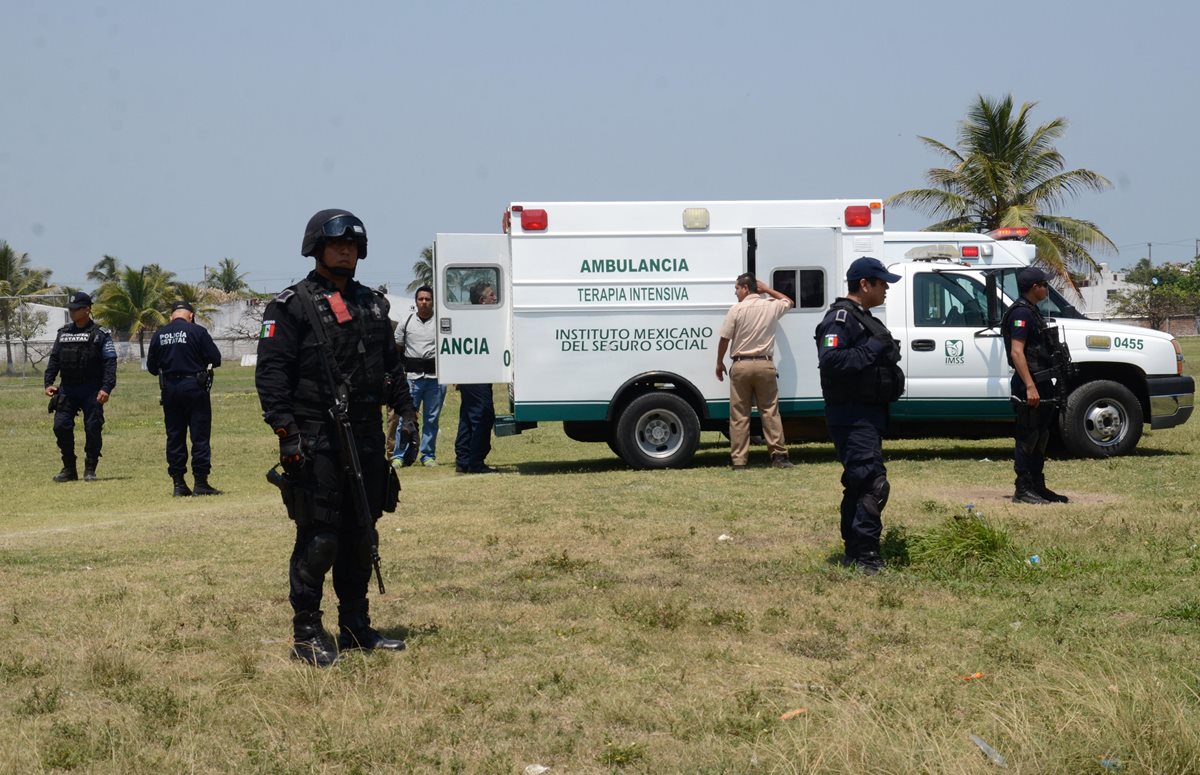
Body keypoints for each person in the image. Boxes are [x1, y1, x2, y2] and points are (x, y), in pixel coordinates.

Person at [256, 208, 418, 667]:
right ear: (317, 248)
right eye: (336, 244)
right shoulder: (292, 305)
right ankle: (306, 633)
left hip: (365, 435)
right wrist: (287, 434)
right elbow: (271, 376)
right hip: (315, 436)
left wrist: (405, 410)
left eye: (352, 245)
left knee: (361, 532)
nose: (345, 251)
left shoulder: (373, 303)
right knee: (321, 536)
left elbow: (391, 365)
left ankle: (355, 628)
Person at [814, 257, 905, 575]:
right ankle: (866, 556)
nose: (886, 290)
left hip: (867, 414)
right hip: (850, 415)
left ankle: (854, 551)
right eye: (882, 284)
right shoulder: (840, 319)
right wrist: (872, 349)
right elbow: (832, 360)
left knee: (859, 483)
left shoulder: (863, 318)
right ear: (864, 284)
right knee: (872, 484)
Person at [1003, 266, 1070, 504]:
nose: (1047, 288)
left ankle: (1037, 485)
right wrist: (1030, 386)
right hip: (1029, 384)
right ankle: (1022, 489)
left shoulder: (1033, 312)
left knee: (1041, 435)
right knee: (1028, 436)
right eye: (1044, 284)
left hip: (1042, 381)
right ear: (1035, 288)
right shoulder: (1021, 314)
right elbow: (1017, 352)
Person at [715, 273, 795, 469]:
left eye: (736, 289)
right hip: (764, 364)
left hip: (741, 365)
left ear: (745, 288)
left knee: (740, 414)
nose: (735, 293)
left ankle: (739, 461)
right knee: (770, 411)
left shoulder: (736, 309)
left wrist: (719, 362)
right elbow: (789, 301)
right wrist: (767, 289)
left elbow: (724, 338)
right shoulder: (770, 306)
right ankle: (779, 457)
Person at [146, 300, 224, 497]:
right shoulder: (197, 332)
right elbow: (216, 359)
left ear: (172, 316)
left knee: (174, 436)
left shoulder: (159, 335)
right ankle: (201, 482)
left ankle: (179, 484)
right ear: (191, 316)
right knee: (199, 436)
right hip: (194, 388)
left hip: (170, 389)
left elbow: (152, 368)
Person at [44, 291, 117, 482]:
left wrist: (106, 388)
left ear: (87, 310)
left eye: (75, 309)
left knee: (93, 428)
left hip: (91, 389)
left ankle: (90, 468)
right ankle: (69, 468)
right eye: (70, 309)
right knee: (60, 426)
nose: (72, 312)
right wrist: (49, 382)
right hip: (67, 389)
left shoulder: (101, 334)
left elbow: (110, 363)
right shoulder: (64, 333)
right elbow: (54, 359)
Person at [393, 285, 447, 467]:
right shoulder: (406, 322)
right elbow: (397, 349)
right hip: (412, 379)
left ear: (433, 301)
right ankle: (399, 455)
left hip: (436, 379)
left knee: (431, 419)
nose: (424, 302)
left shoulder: (441, 322)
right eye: (420, 299)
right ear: (416, 301)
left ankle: (428, 455)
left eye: (427, 299)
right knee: (405, 418)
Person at [454, 281, 497, 474]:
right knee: (483, 414)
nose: (495, 297)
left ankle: (463, 460)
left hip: (471, 374)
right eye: (491, 295)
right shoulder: (480, 318)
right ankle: (475, 462)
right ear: (482, 300)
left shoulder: (468, 317)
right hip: (476, 374)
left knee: (467, 416)